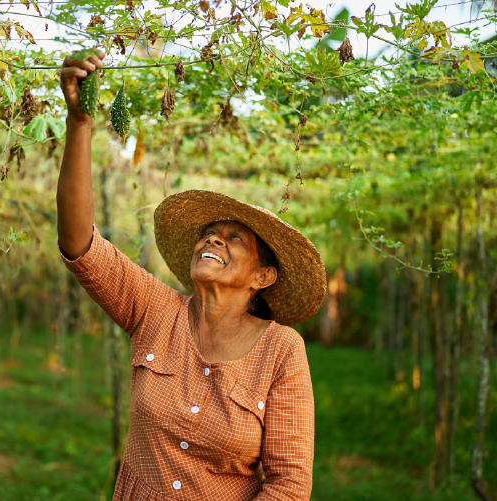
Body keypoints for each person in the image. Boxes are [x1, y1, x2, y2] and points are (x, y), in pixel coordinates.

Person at [57, 50, 326, 500]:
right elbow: (79, 243)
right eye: (209, 234)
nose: (214, 240)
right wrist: (79, 123)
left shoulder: (281, 351)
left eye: (234, 238)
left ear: (262, 277)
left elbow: (289, 486)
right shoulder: (156, 311)